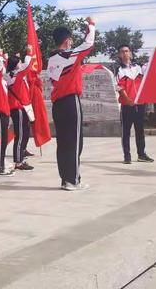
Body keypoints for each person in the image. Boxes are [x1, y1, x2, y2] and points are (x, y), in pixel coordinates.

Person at [47, 18, 95, 191]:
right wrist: (91, 26)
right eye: (71, 40)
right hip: (70, 101)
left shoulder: (51, 59)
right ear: (67, 40)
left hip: (58, 104)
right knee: (75, 142)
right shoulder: (69, 55)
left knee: (63, 142)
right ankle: (73, 180)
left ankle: (65, 179)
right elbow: (89, 44)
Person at [115, 45, 154, 165]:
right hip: (127, 105)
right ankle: (127, 156)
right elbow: (119, 87)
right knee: (126, 131)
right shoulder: (118, 70)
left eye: (127, 51)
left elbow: (148, 74)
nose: (125, 53)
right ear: (119, 55)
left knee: (140, 130)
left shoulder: (138, 67)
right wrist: (128, 100)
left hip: (140, 104)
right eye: (122, 52)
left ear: (131, 53)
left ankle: (141, 155)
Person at [6, 46, 34, 171]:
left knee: (24, 133)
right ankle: (18, 161)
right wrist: (29, 53)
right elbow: (27, 66)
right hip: (18, 107)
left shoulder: (9, 75)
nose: (20, 63)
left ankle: (21, 157)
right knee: (21, 134)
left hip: (21, 107)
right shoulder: (15, 75)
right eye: (18, 62)